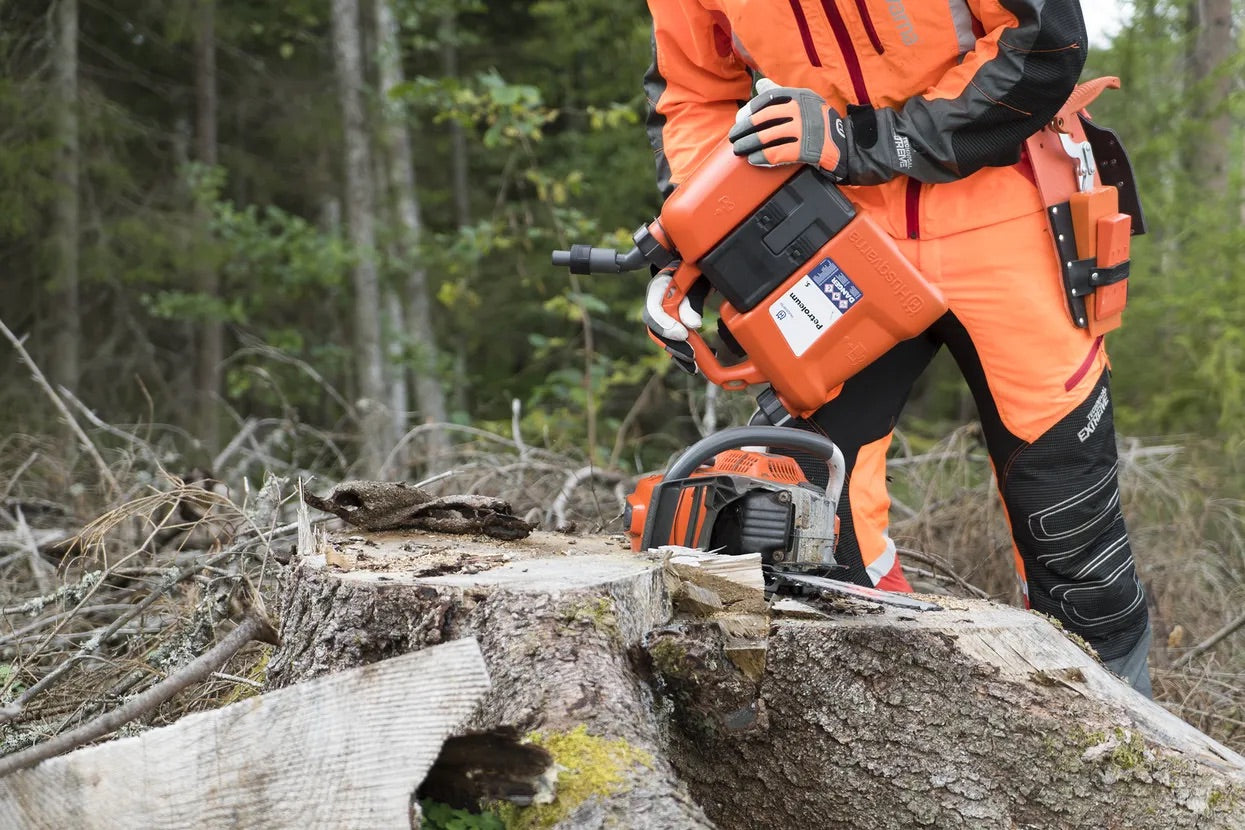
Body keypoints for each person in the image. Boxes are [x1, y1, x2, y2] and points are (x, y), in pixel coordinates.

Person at [640, 0, 1153, 695]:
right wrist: (705, 235)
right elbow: (694, 95)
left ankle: (1121, 739)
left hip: (1009, 214)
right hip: (829, 237)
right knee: (811, 530)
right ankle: (900, 726)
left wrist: (867, 140)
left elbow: (1041, 43)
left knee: (1073, 538)